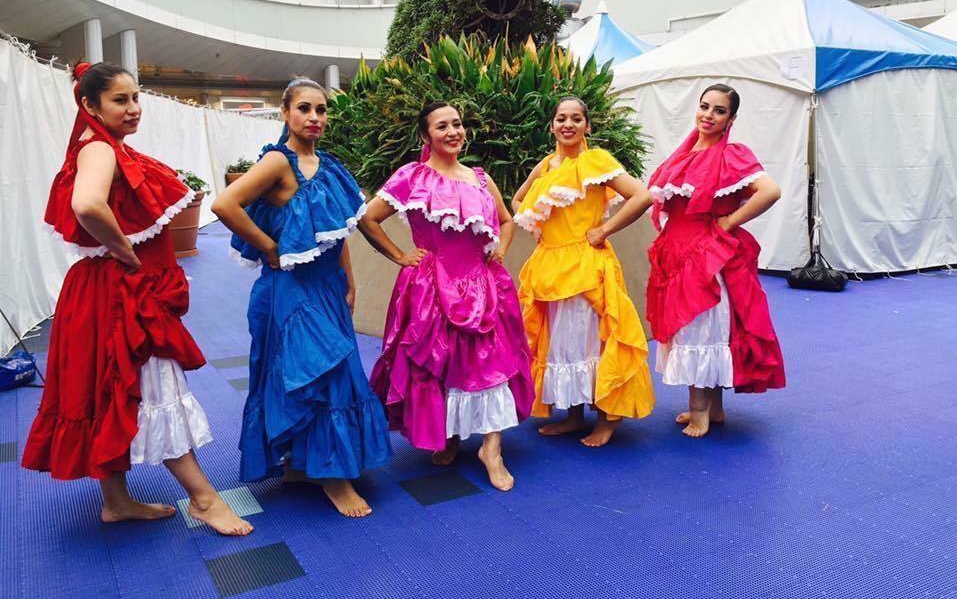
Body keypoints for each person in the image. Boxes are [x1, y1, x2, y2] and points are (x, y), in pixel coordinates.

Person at [22, 62, 252, 536]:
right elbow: (87, 204)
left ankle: (116, 502)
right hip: (118, 296)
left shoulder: (98, 146)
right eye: (120, 100)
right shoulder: (99, 149)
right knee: (154, 386)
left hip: (101, 293)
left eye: (135, 98)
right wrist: (126, 251)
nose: (133, 108)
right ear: (90, 106)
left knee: (105, 390)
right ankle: (204, 500)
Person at [212, 77, 391, 518]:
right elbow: (224, 205)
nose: (314, 117)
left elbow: (337, 231)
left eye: (321, 110)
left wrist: (351, 281)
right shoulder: (277, 162)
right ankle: (333, 478)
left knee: (317, 371)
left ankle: (301, 462)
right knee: (320, 372)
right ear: (285, 113)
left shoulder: (330, 166)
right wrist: (269, 247)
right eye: (305, 108)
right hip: (290, 290)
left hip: (327, 285)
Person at [359, 102, 534, 491]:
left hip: (482, 284)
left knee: (489, 364)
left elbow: (506, 221)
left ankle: (492, 450)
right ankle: (450, 434)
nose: (453, 131)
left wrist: (501, 250)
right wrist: (400, 255)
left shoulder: (480, 178)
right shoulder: (411, 177)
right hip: (431, 287)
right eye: (442, 126)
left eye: (457, 124)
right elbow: (367, 218)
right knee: (441, 362)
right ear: (426, 136)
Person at [513, 97, 655, 447]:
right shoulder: (545, 165)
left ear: (587, 126)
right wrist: (536, 226)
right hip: (550, 266)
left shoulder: (597, 161)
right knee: (563, 342)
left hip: (587, 265)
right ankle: (574, 416)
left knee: (594, 339)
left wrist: (604, 230)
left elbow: (642, 196)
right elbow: (517, 201)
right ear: (552, 126)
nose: (568, 124)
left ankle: (607, 419)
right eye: (561, 118)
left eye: (576, 118)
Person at [646, 83, 786, 438]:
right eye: (705, 106)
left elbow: (771, 191)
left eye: (719, 110)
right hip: (680, 253)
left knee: (699, 327)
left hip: (704, 256)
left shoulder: (732, 154)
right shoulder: (685, 153)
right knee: (702, 328)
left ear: (731, 119)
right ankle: (715, 408)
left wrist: (729, 221)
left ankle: (700, 413)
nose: (708, 115)